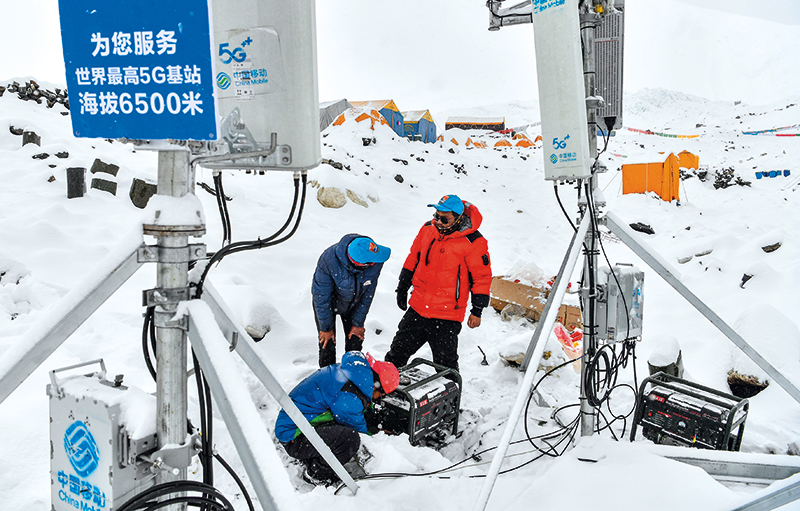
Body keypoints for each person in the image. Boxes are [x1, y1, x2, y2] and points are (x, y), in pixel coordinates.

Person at [385, 194, 492, 372]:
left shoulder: (473, 242)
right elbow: (413, 258)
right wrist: (402, 286)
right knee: (395, 355)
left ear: (458, 218)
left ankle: (451, 389)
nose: (438, 222)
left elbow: (481, 277)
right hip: (418, 308)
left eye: (444, 219)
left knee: (445, 366)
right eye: (436, 216)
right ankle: (383, 387)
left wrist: (477, 310)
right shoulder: (428, 229)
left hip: (447, 315)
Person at [274, 351, 399, 485]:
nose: (381, 397)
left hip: (299, 424)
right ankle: (316, 474)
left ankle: (315, 457)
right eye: (382, 394)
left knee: (343, 432)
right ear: (376, 385)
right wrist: (376, 434)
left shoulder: (354, 374)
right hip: (293, 438)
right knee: (349, 440)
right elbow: (358, 429)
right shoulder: (348, 395)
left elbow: (360, 409)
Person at [312, 234, 391, 367]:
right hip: (328, 301)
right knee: (327, 342)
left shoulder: (375, 259)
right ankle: (328, 374)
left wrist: (358, 323)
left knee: (355, 341)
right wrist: (326, 328)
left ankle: (353, 372)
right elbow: (321, 297)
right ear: (359, 264)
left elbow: (368, 293)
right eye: (372, 262)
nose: (376, 263)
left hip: (355, 301)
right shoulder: (328, 260)